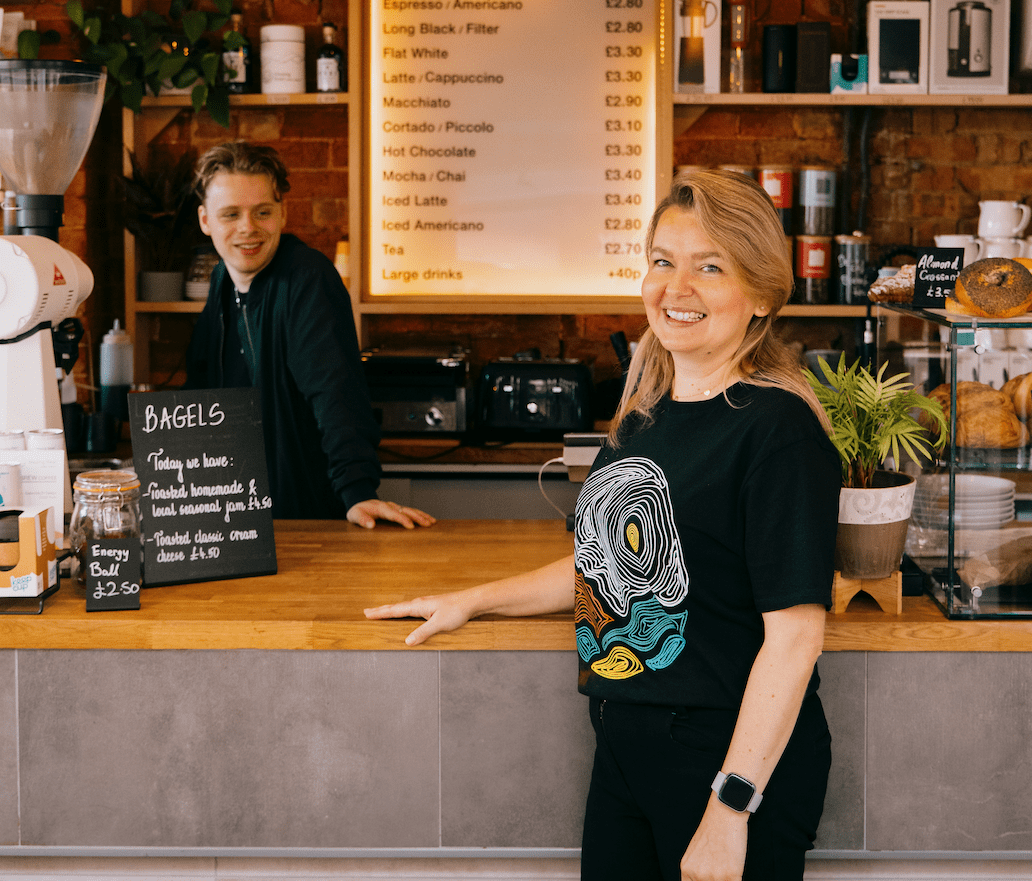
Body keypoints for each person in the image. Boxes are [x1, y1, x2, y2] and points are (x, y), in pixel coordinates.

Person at [365, 168, 840, 881]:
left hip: (721, 758)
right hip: (624, 742)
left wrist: (730, 808)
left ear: (764, 294)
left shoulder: (778, 430)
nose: (676, 289)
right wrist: (473, 599)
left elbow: (796, 637)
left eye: (709, 267)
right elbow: (603, 566)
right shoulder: (644, 414)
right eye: (662, 262)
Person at [185, 140, 434, 530]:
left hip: (307, 518)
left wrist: (357, 491)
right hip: (239, 517)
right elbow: (202, 390)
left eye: (262, 212)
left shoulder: (307, 278)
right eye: (231, 214)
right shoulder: (221, 280)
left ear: (282, 213)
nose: (247, 228)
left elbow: (335, 390)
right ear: (205, 220)